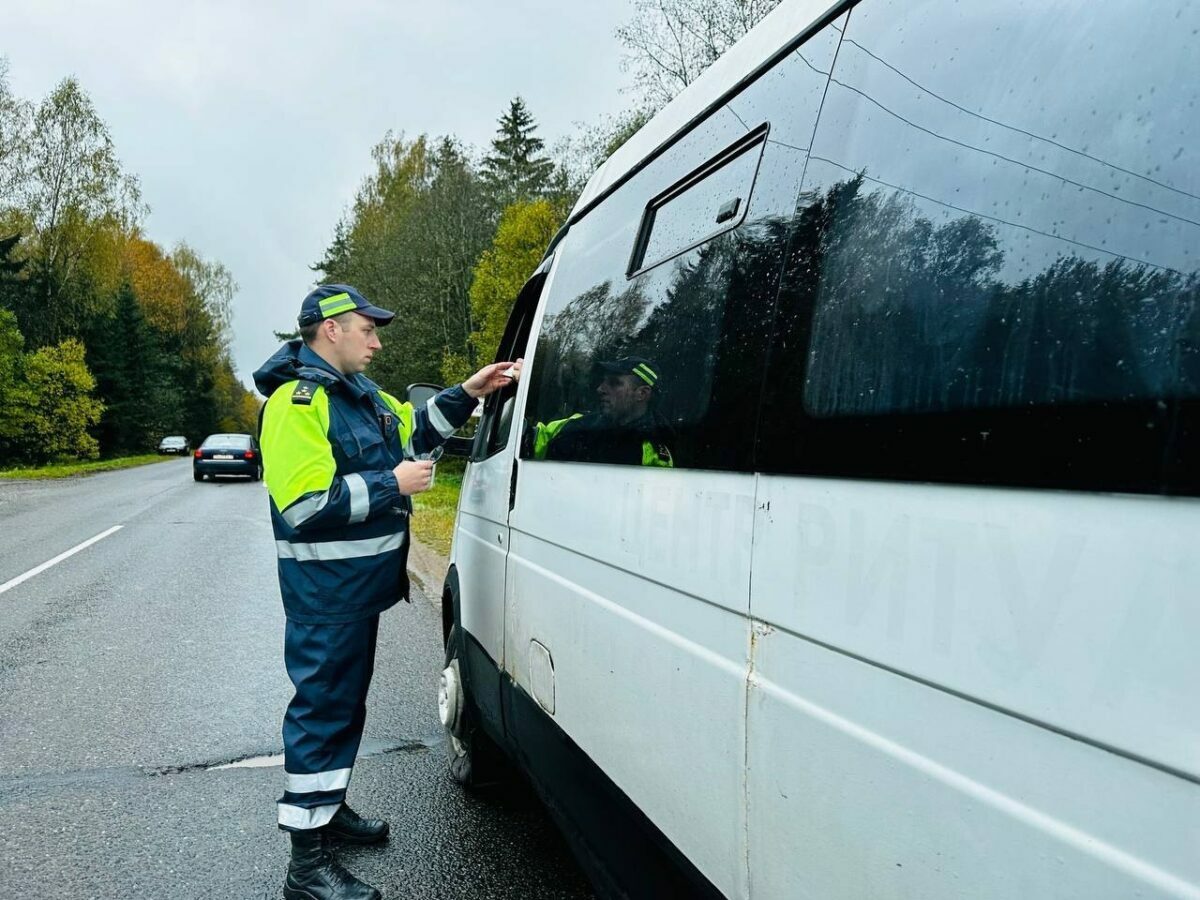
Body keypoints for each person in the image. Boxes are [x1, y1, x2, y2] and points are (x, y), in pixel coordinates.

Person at [253, 284, 518, 900]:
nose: (376, 341)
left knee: (344, 710)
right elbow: (303, 505)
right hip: (326, 594)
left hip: (356, 591)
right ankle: (307, 867)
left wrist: (470, 392)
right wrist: (391, 483)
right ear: (330, 331)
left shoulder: (359, 395)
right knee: (322, 714)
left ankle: (329, 811)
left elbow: (414, 428)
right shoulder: (298, 403)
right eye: (366, 329)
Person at [531, 356, 674, 467]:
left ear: (642, 394)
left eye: (614, 383)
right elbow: (529, 441)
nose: (600, 389)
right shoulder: (576, 424)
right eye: (603, 381)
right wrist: (520, 383)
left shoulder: (655, 455)